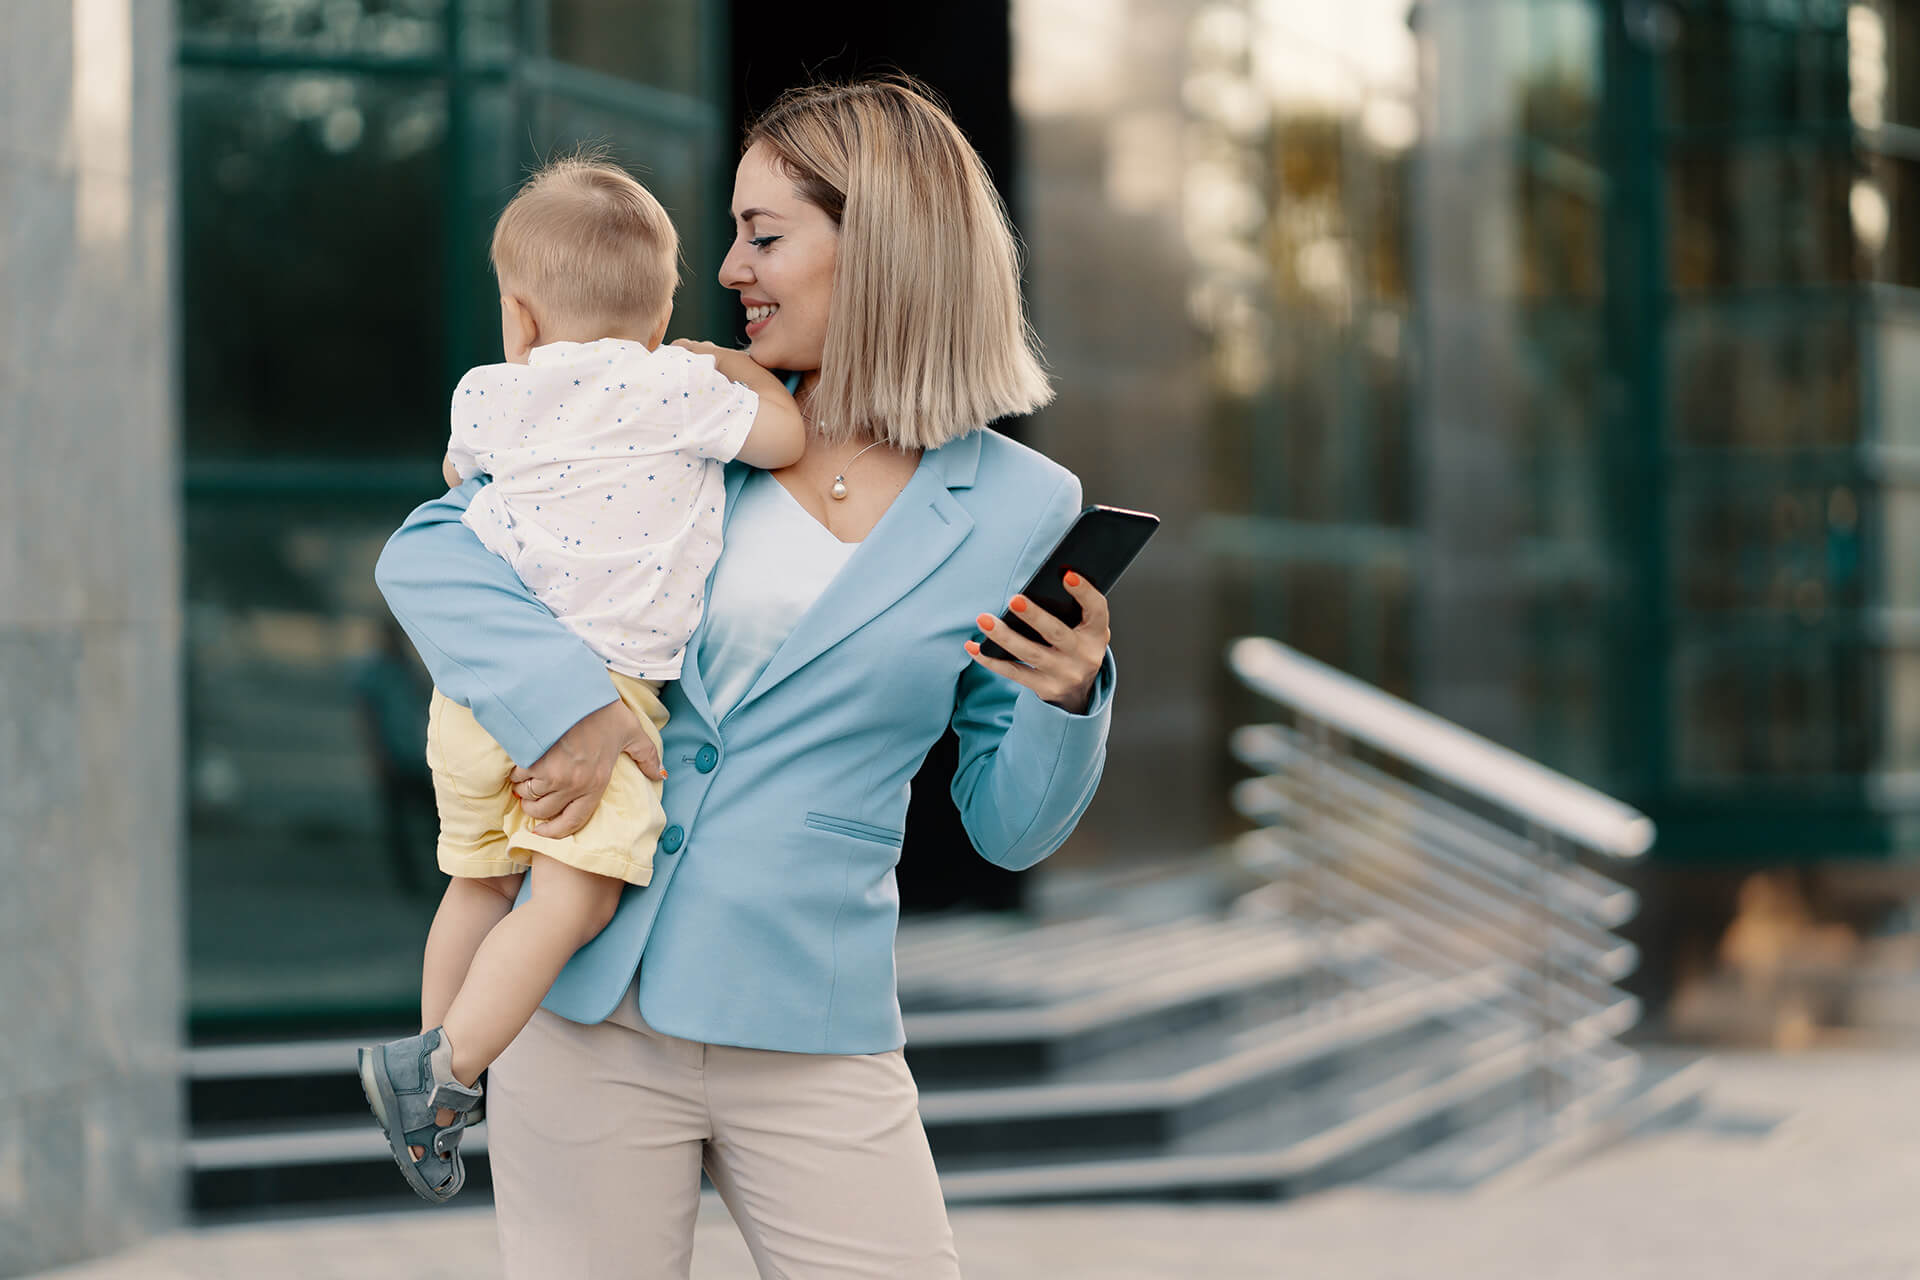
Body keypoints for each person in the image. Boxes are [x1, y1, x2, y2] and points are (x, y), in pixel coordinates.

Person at [375, 78, 1119, 1277]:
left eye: (764, 235)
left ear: (881, 247)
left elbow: (1010, 824)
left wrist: (1067, 695)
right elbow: (430, 553)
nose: (729, 268)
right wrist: (567, 704)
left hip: (811, 1020)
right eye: (732, 233)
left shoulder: (1023, 509)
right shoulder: (682, 403)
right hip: (581, 997)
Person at [356, 153, 805, 1204]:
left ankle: (430, 1055)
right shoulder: (676, 386)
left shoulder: (489, 395)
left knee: (476, 880)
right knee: (573, 898)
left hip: (472, 696)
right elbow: (785, 436)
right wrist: (732, 370)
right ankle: (443, 1072)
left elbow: (461, 490)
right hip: (604, 701)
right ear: (662, 314)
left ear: (519, 315)